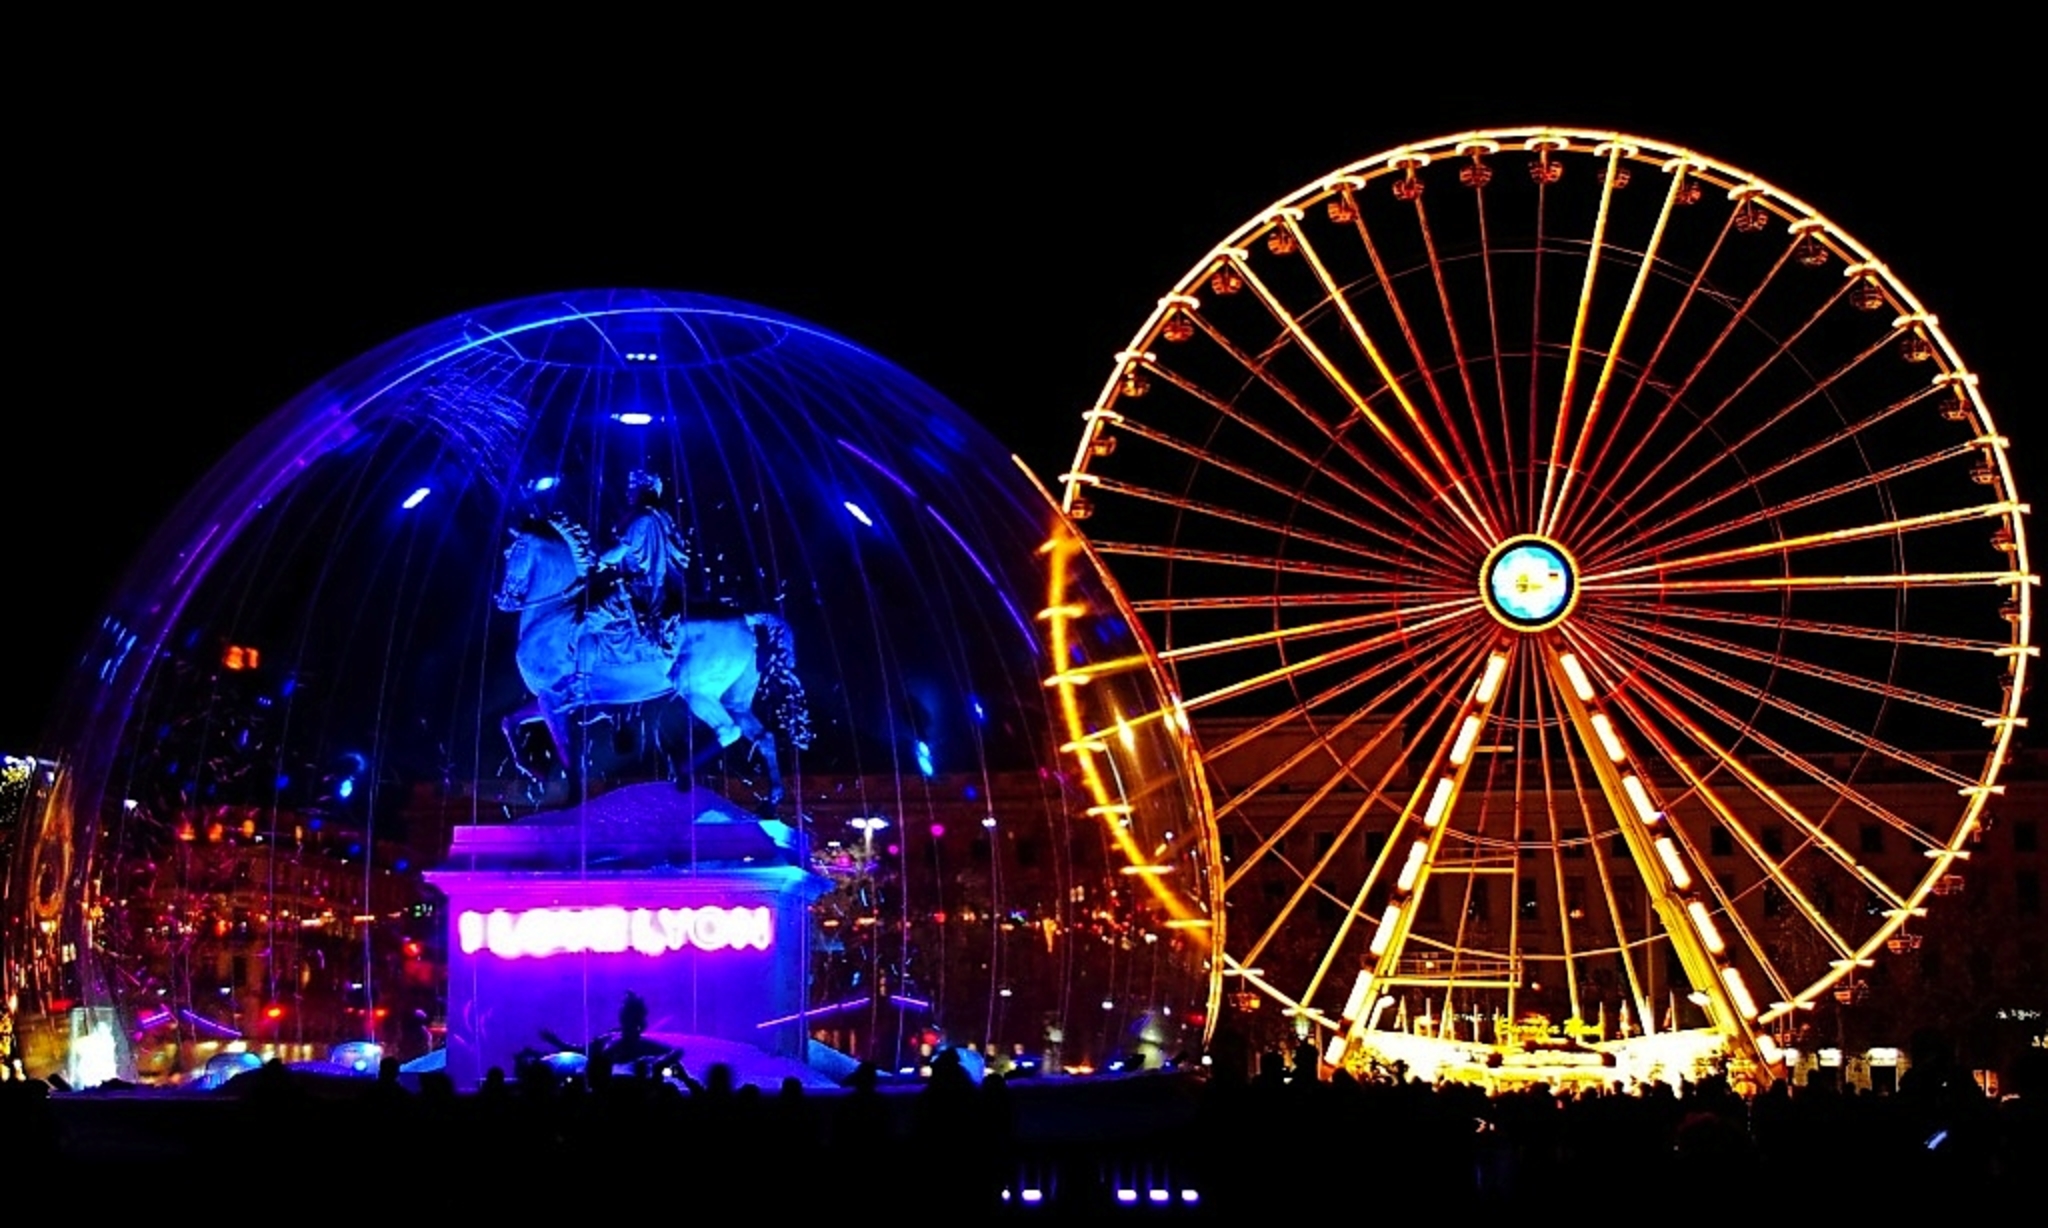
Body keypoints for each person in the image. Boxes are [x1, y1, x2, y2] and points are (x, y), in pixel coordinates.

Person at [598, 470, 690, 645]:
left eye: (632, 487)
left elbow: (615, 554)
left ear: (644, 490)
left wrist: (598, 560)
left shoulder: (640, 518)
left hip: (638, 591)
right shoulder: (661, 517)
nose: (627, 492)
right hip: (653, 587)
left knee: (589, 615)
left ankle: (583, 667)